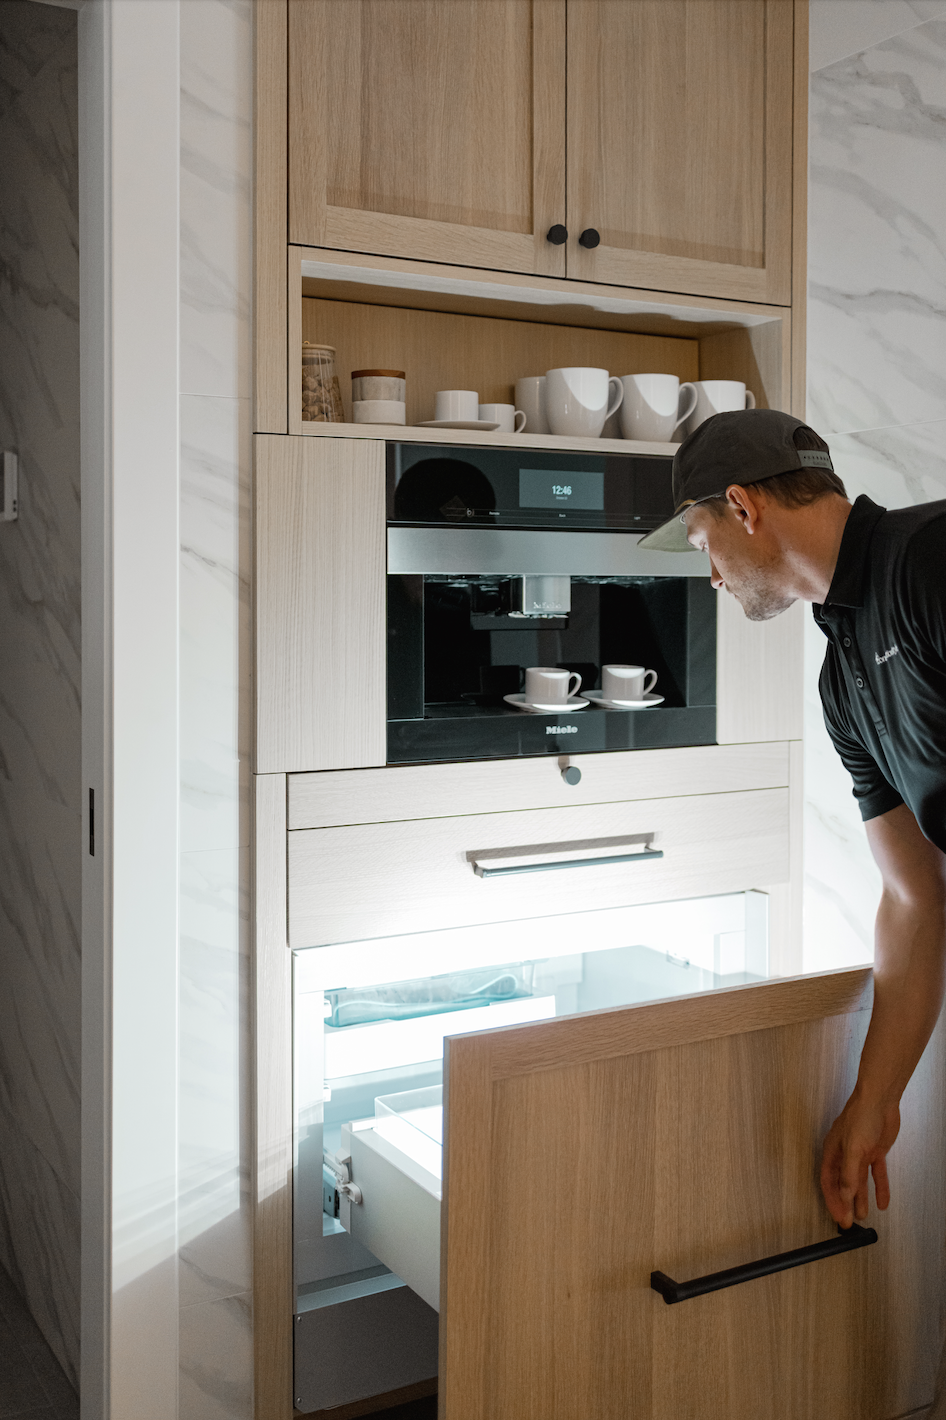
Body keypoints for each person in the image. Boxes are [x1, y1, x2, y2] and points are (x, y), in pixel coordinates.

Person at [640, 408, 946, 1234]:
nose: (711, 577)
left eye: (702, 544)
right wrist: (874, 1100)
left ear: (743, 507)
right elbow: (914, 897)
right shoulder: (843, 682)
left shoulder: (932, 556)